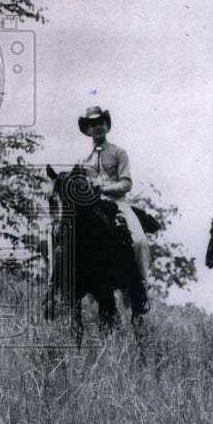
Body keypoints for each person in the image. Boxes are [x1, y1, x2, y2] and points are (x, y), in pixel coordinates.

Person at [78, 106, 151, 314]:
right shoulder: (83, 159)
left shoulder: (119, 152)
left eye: (100, 122)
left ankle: (142, 291)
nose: (97, 126)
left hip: (117, 203)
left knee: (139, 241)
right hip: (91, 206)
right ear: (88, 129)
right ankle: (56, 290)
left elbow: (126, 183)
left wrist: (103, 189)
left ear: (107, 125)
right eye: (93, 124)